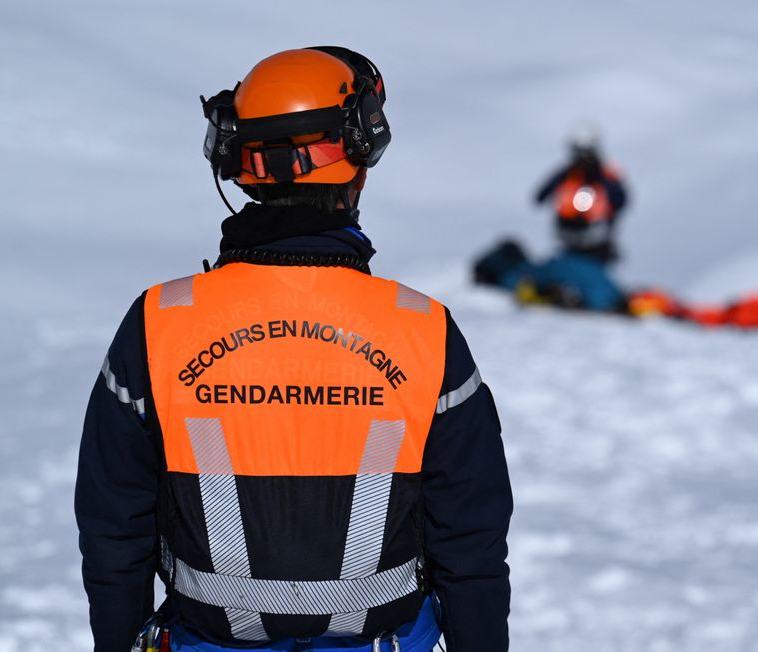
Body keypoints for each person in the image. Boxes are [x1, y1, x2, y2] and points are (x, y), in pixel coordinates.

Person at [75, 47, 513, 652]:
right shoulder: (424, 329)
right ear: (359, 154)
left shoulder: (159, 321)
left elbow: (112, 527)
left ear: (234, 158)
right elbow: (472, 534)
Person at [534, 124, 629, 263]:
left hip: (597, 242)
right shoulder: (566, 174)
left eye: (586, 152)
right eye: (579, 152)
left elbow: (621, 200)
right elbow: (540, 196)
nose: (583, 158)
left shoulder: (606, 176)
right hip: (567, 238)